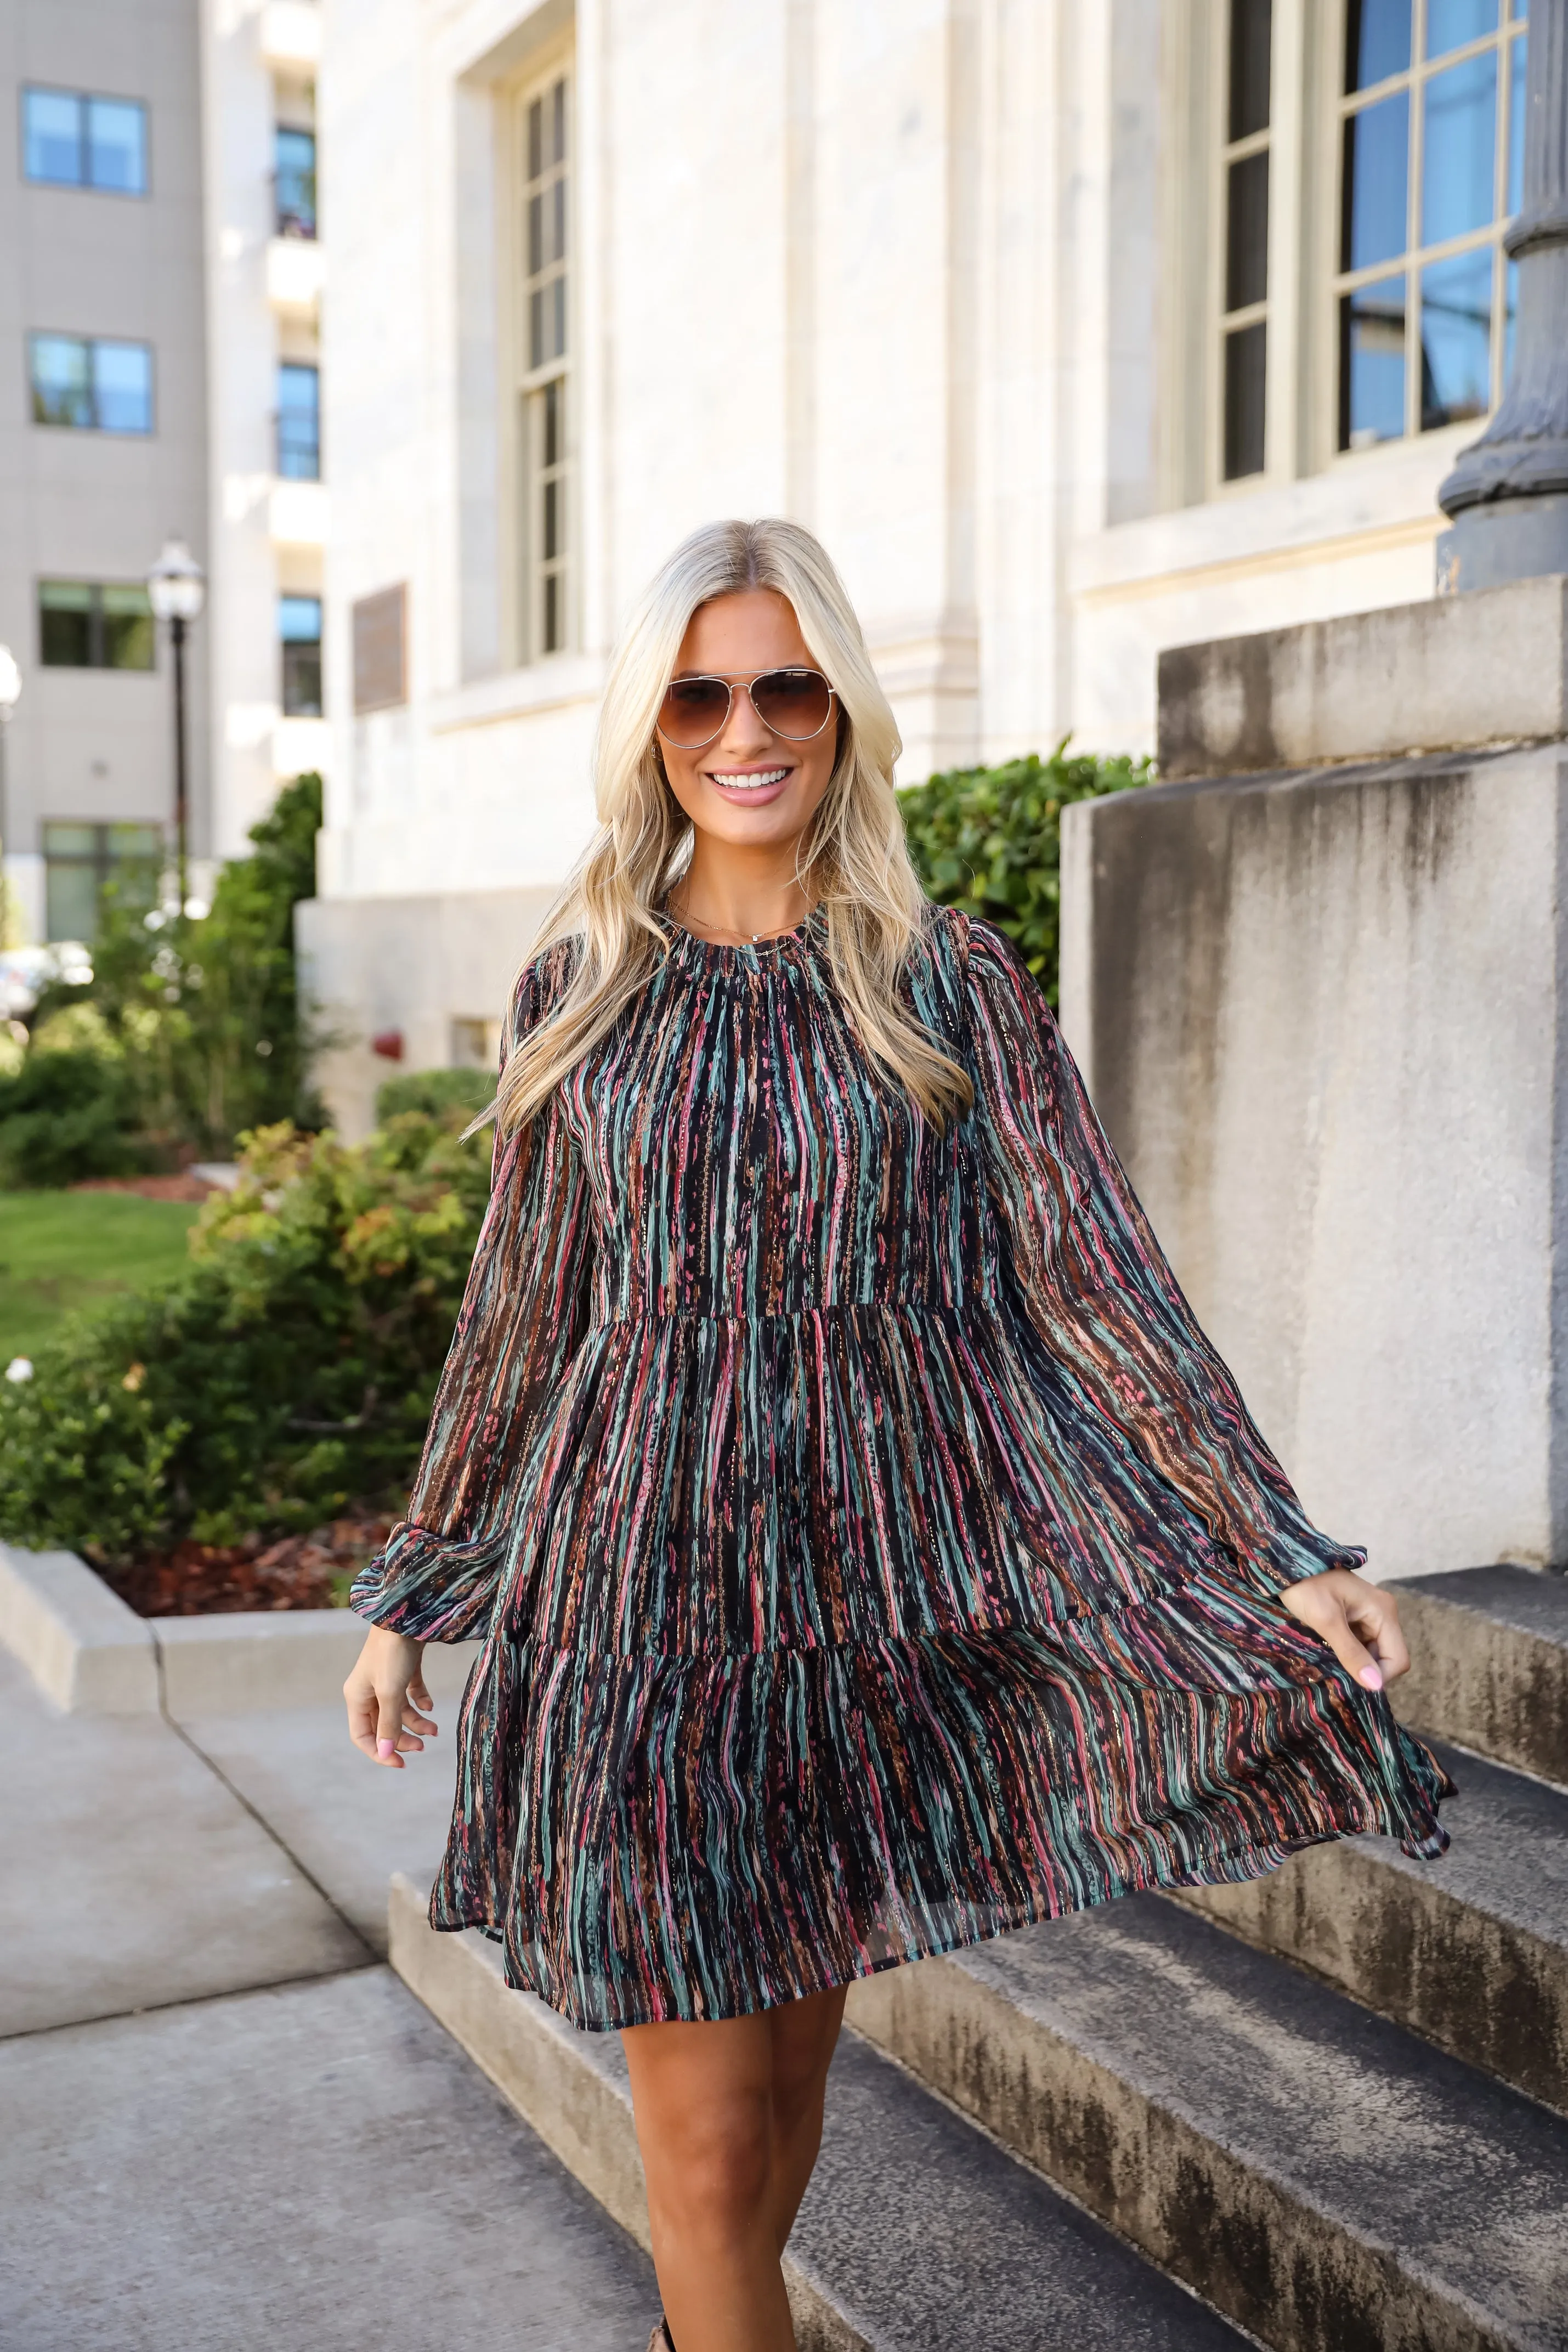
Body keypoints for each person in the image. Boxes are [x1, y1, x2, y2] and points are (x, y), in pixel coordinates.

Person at [344, 517, 1450, 2352]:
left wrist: (1276, 1545)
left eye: (786, 682)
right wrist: (416, 1590)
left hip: (870, 1611)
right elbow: (522, 1323)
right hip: (643, 1618)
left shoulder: (948, 981)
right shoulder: (581, 994)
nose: (745, 726)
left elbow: (1098, 1283)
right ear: (649, 728)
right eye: (699, 692)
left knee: (779, 2111)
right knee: (699, 2168)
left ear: (845, 709)